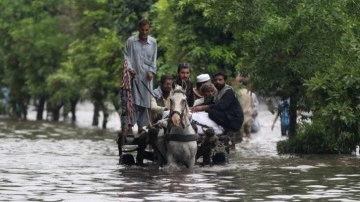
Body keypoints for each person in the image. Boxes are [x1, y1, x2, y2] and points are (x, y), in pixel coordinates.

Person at [124, 18, 157, 137]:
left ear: (149, 29)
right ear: (139, 29)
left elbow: (153, 60)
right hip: (133, 77)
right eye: (142, 30)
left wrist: (151, 72)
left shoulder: (153, 42)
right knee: (132, 101)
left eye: (146, 30)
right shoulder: (131, 41)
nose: (144, 32)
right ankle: (129, 126)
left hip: (147, 78)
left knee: (146, 102)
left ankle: (141, 127)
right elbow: (126, 57)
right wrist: (130, 68)